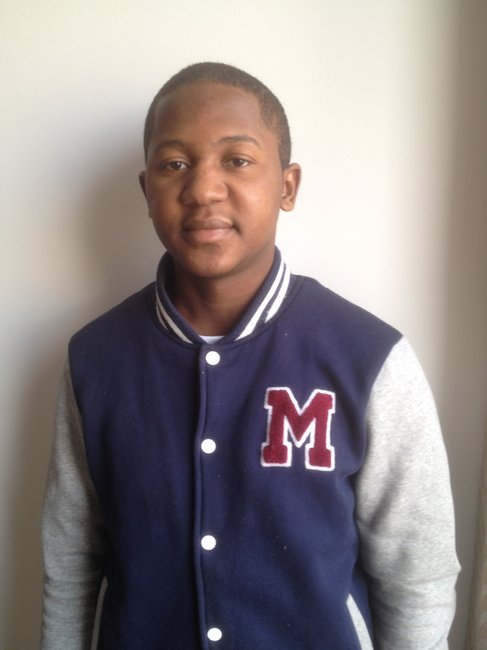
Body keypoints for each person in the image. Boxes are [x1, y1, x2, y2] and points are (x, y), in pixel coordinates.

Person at [41, 62, 460, 650]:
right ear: (146, 190)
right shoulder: (94, 360)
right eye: (174, 164)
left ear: (287, 186)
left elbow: (418, 575)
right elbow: (71, 557)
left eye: (237, 160)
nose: (203, 190)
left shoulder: (370, 358)